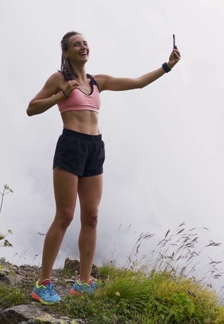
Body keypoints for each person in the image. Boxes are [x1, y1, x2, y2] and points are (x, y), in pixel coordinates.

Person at [26, 31, 181, 304]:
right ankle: (43, 283)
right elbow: (32, 108)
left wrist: (167, 66)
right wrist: (61, 94)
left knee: (92, 217)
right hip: (71, 145)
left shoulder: (98, 82)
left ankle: (83, 283)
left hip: (95, 148)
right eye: (77, 44)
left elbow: (138, 83)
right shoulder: (59, 79)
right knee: (65, 215)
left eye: (85, 43)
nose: (83, 46)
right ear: (66, 52)